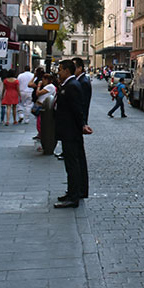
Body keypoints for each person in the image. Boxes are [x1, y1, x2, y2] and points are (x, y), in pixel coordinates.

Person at [53, 60, 92, 208]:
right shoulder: (68, 85)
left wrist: (82, 125)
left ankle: (74, 195)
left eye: (60, 69)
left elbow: (77, 109)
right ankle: (72, 192)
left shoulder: (72, 86)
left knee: (72, 164)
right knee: (71, 163)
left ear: (67, 70)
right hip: (69, 131)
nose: (58, 72)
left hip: (71, 131)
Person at [36, 74, 58, 156]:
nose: (42, 81)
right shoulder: (49, 86)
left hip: (45, 108)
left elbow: (38, 93)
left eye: (43, 79)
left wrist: (39, 86)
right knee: (40, 125)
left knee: (41, 126)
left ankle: (44, 143)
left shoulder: (50, 87)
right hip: (43, 108)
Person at [73, 57, 92, 124]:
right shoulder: (78, 80)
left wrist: (83, 122)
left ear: (80, 68)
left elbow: (83, 103)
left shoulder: (83, 82)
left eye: (73, 67)